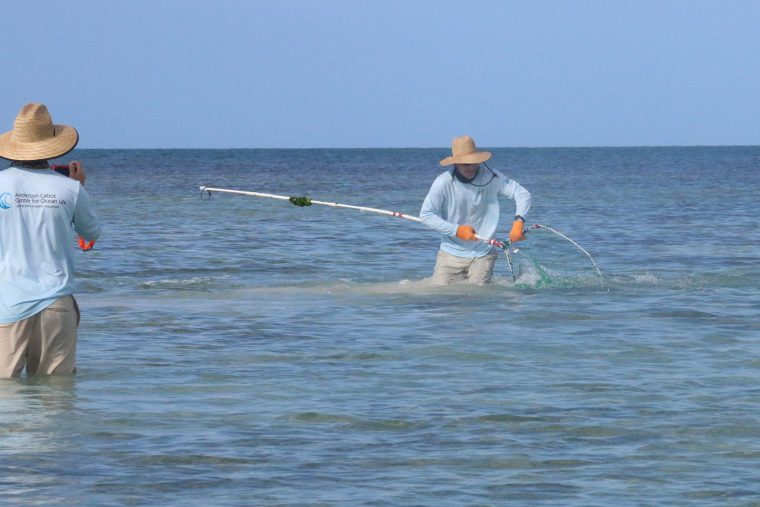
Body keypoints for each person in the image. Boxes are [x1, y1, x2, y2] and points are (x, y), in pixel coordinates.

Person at [0, 103, 101, 378]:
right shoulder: (70, 188)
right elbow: (91, 232)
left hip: (6, 302)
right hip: (55, 301)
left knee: (4, 393)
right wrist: (80, 188)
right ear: (53, 146)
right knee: (55, 395)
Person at [420, 135, 531, 285]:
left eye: (474, 162)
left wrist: (518, 223)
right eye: (466, 164)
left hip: (483, 253)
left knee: (477, 298)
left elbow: (522, 194)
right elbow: (426, 215)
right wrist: (457, 230)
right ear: (456, 163)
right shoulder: (443, 182)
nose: (471, 167)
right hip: (450, 253)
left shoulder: (492, 177)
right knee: (442, 298)